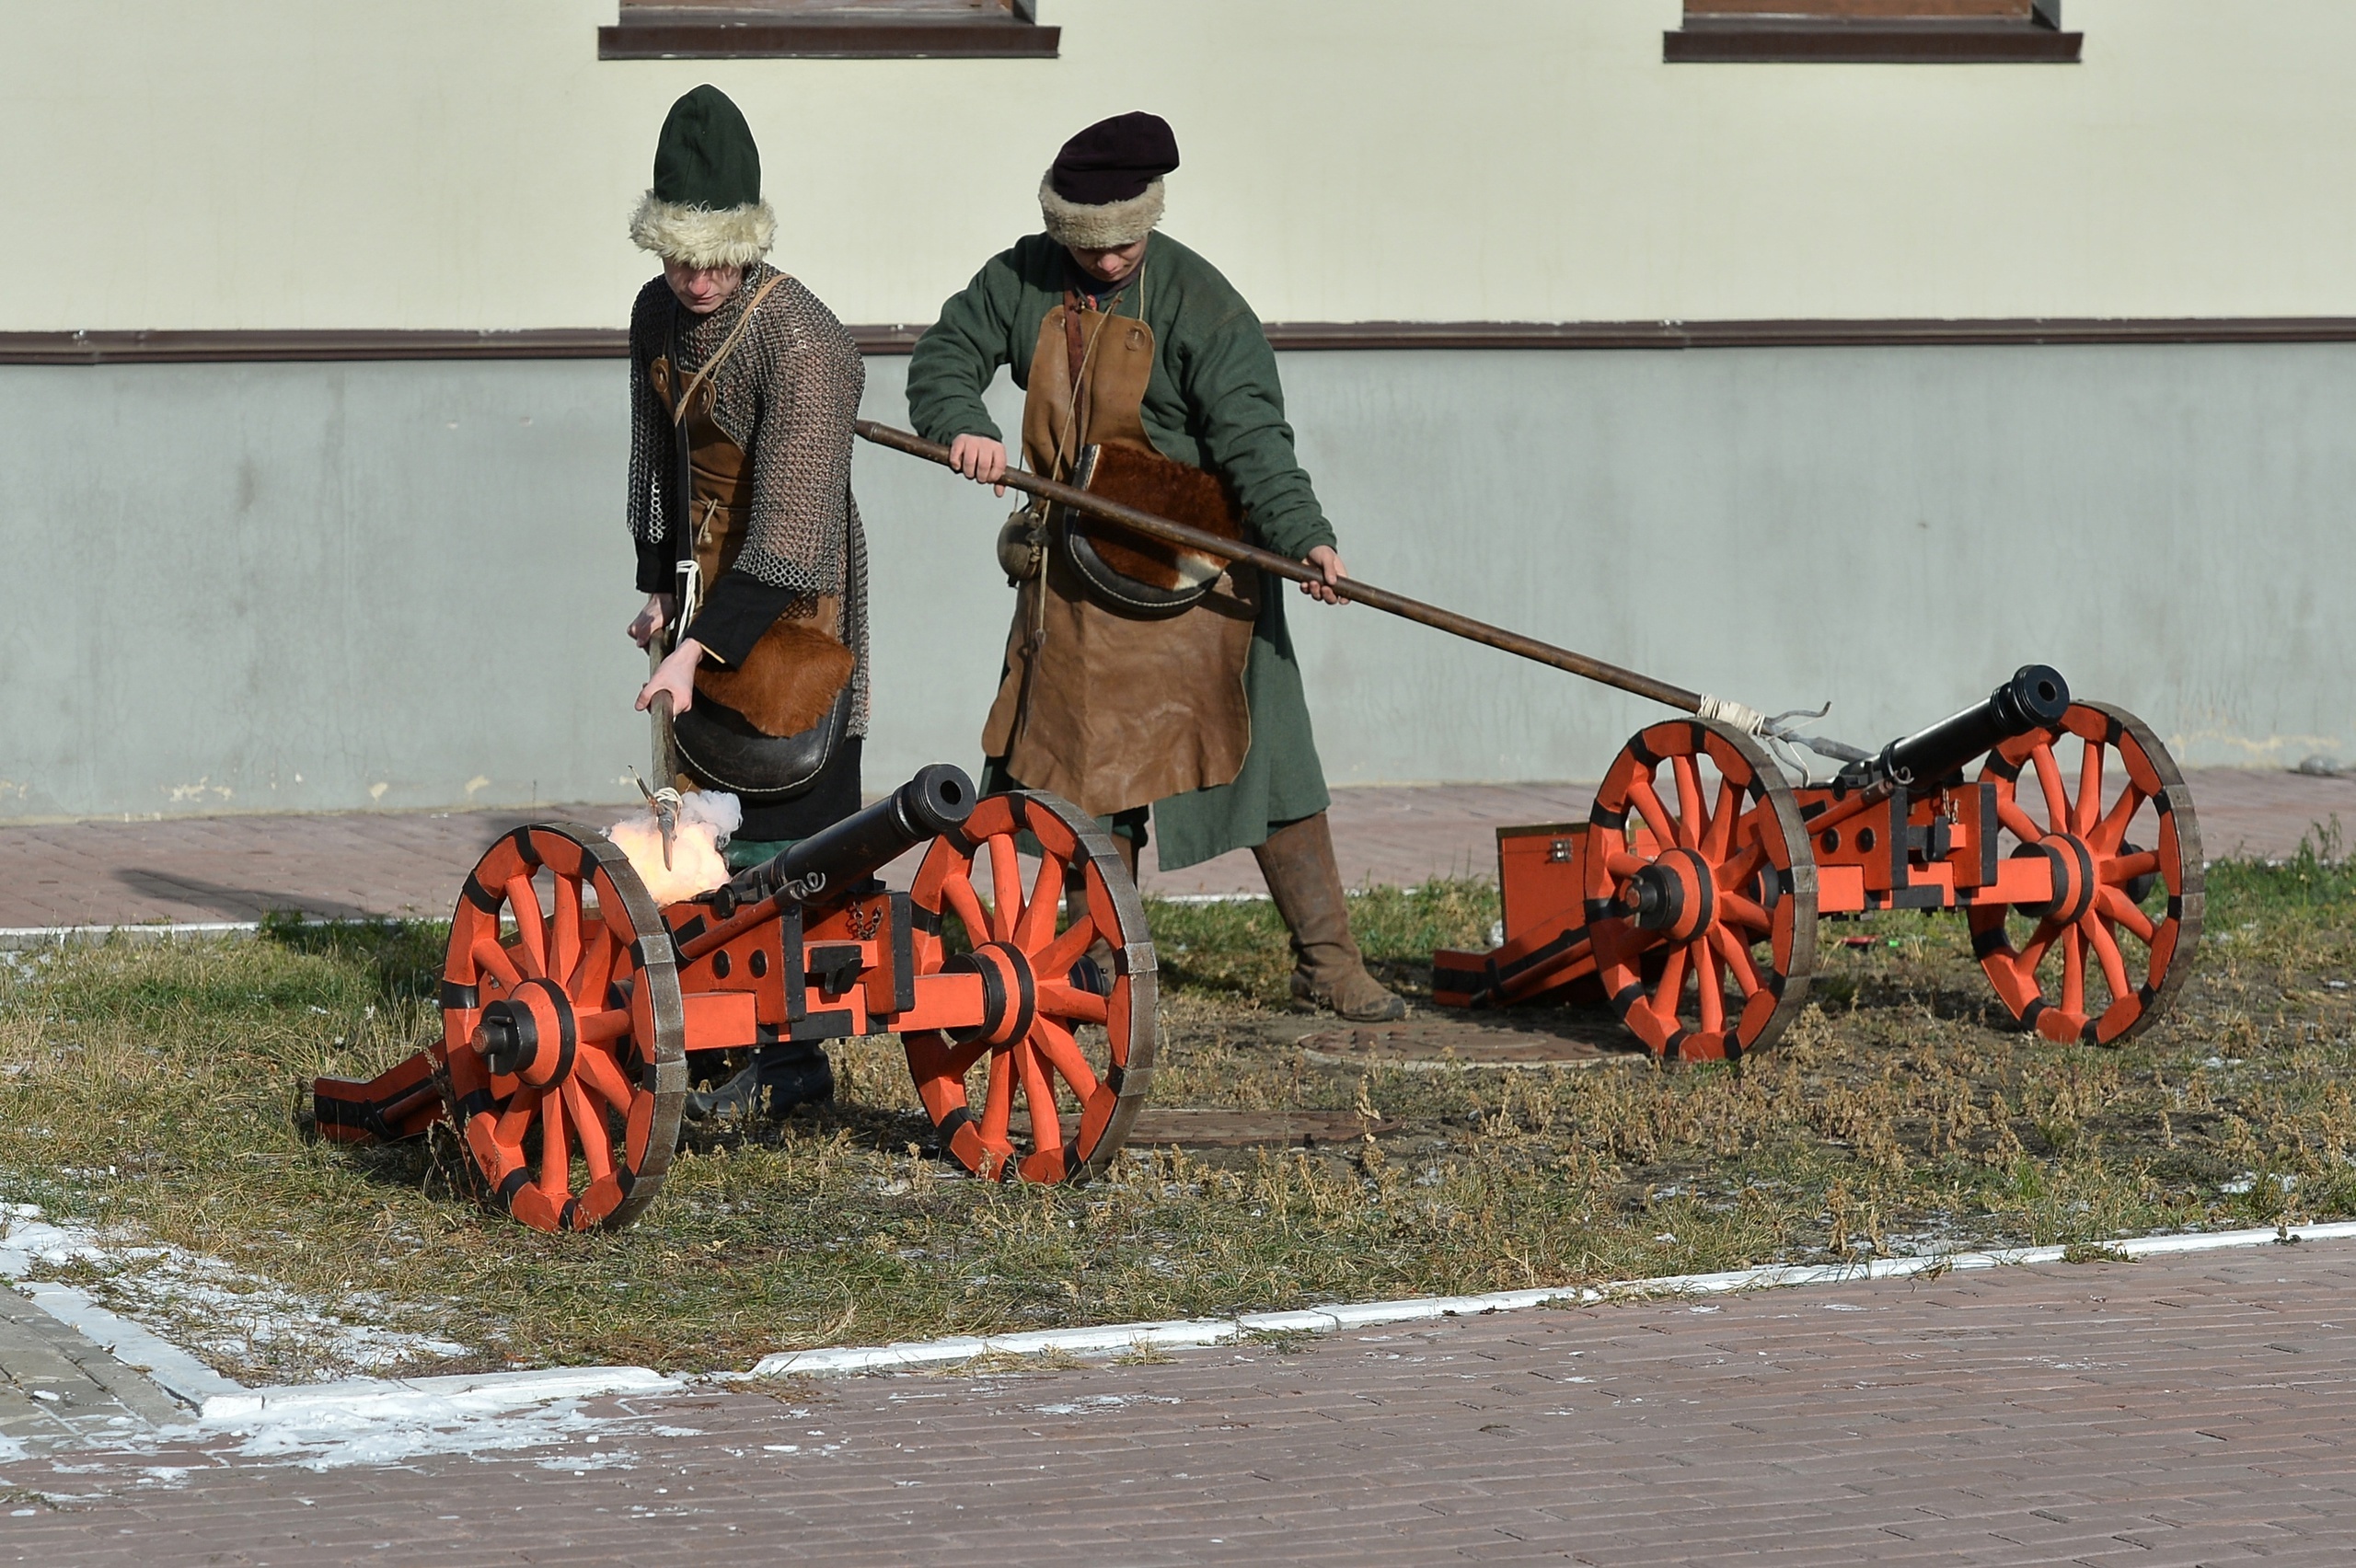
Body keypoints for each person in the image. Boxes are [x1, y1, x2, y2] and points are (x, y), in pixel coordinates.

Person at [907, 110, 1404, 1022]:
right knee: (1089, 778)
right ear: (1064, 233)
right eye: (1092, 248)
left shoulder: (1201, 304)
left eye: (1126, 243)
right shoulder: (1017, 277)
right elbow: (944, 357)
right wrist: (964, 426)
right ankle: (1106, 965)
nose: (1109, 262)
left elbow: (1255, 438)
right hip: (1078, 572)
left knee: (1270, 759)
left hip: (1201, 572)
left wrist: (1306, 536)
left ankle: (1328, 963)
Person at [623, 84, 871, 1109]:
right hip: (700, 589)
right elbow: (655, 464)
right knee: (700, 826)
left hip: (792, 606)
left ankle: (794, 1059)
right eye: (680, 257)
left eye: (718, 256)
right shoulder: (653, 314)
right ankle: (716, 1039)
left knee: (788, 817)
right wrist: (653, 590)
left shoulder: (806, 342)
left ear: (750, 242)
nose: (697, 278)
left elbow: (795, 536)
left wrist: (702, 650)